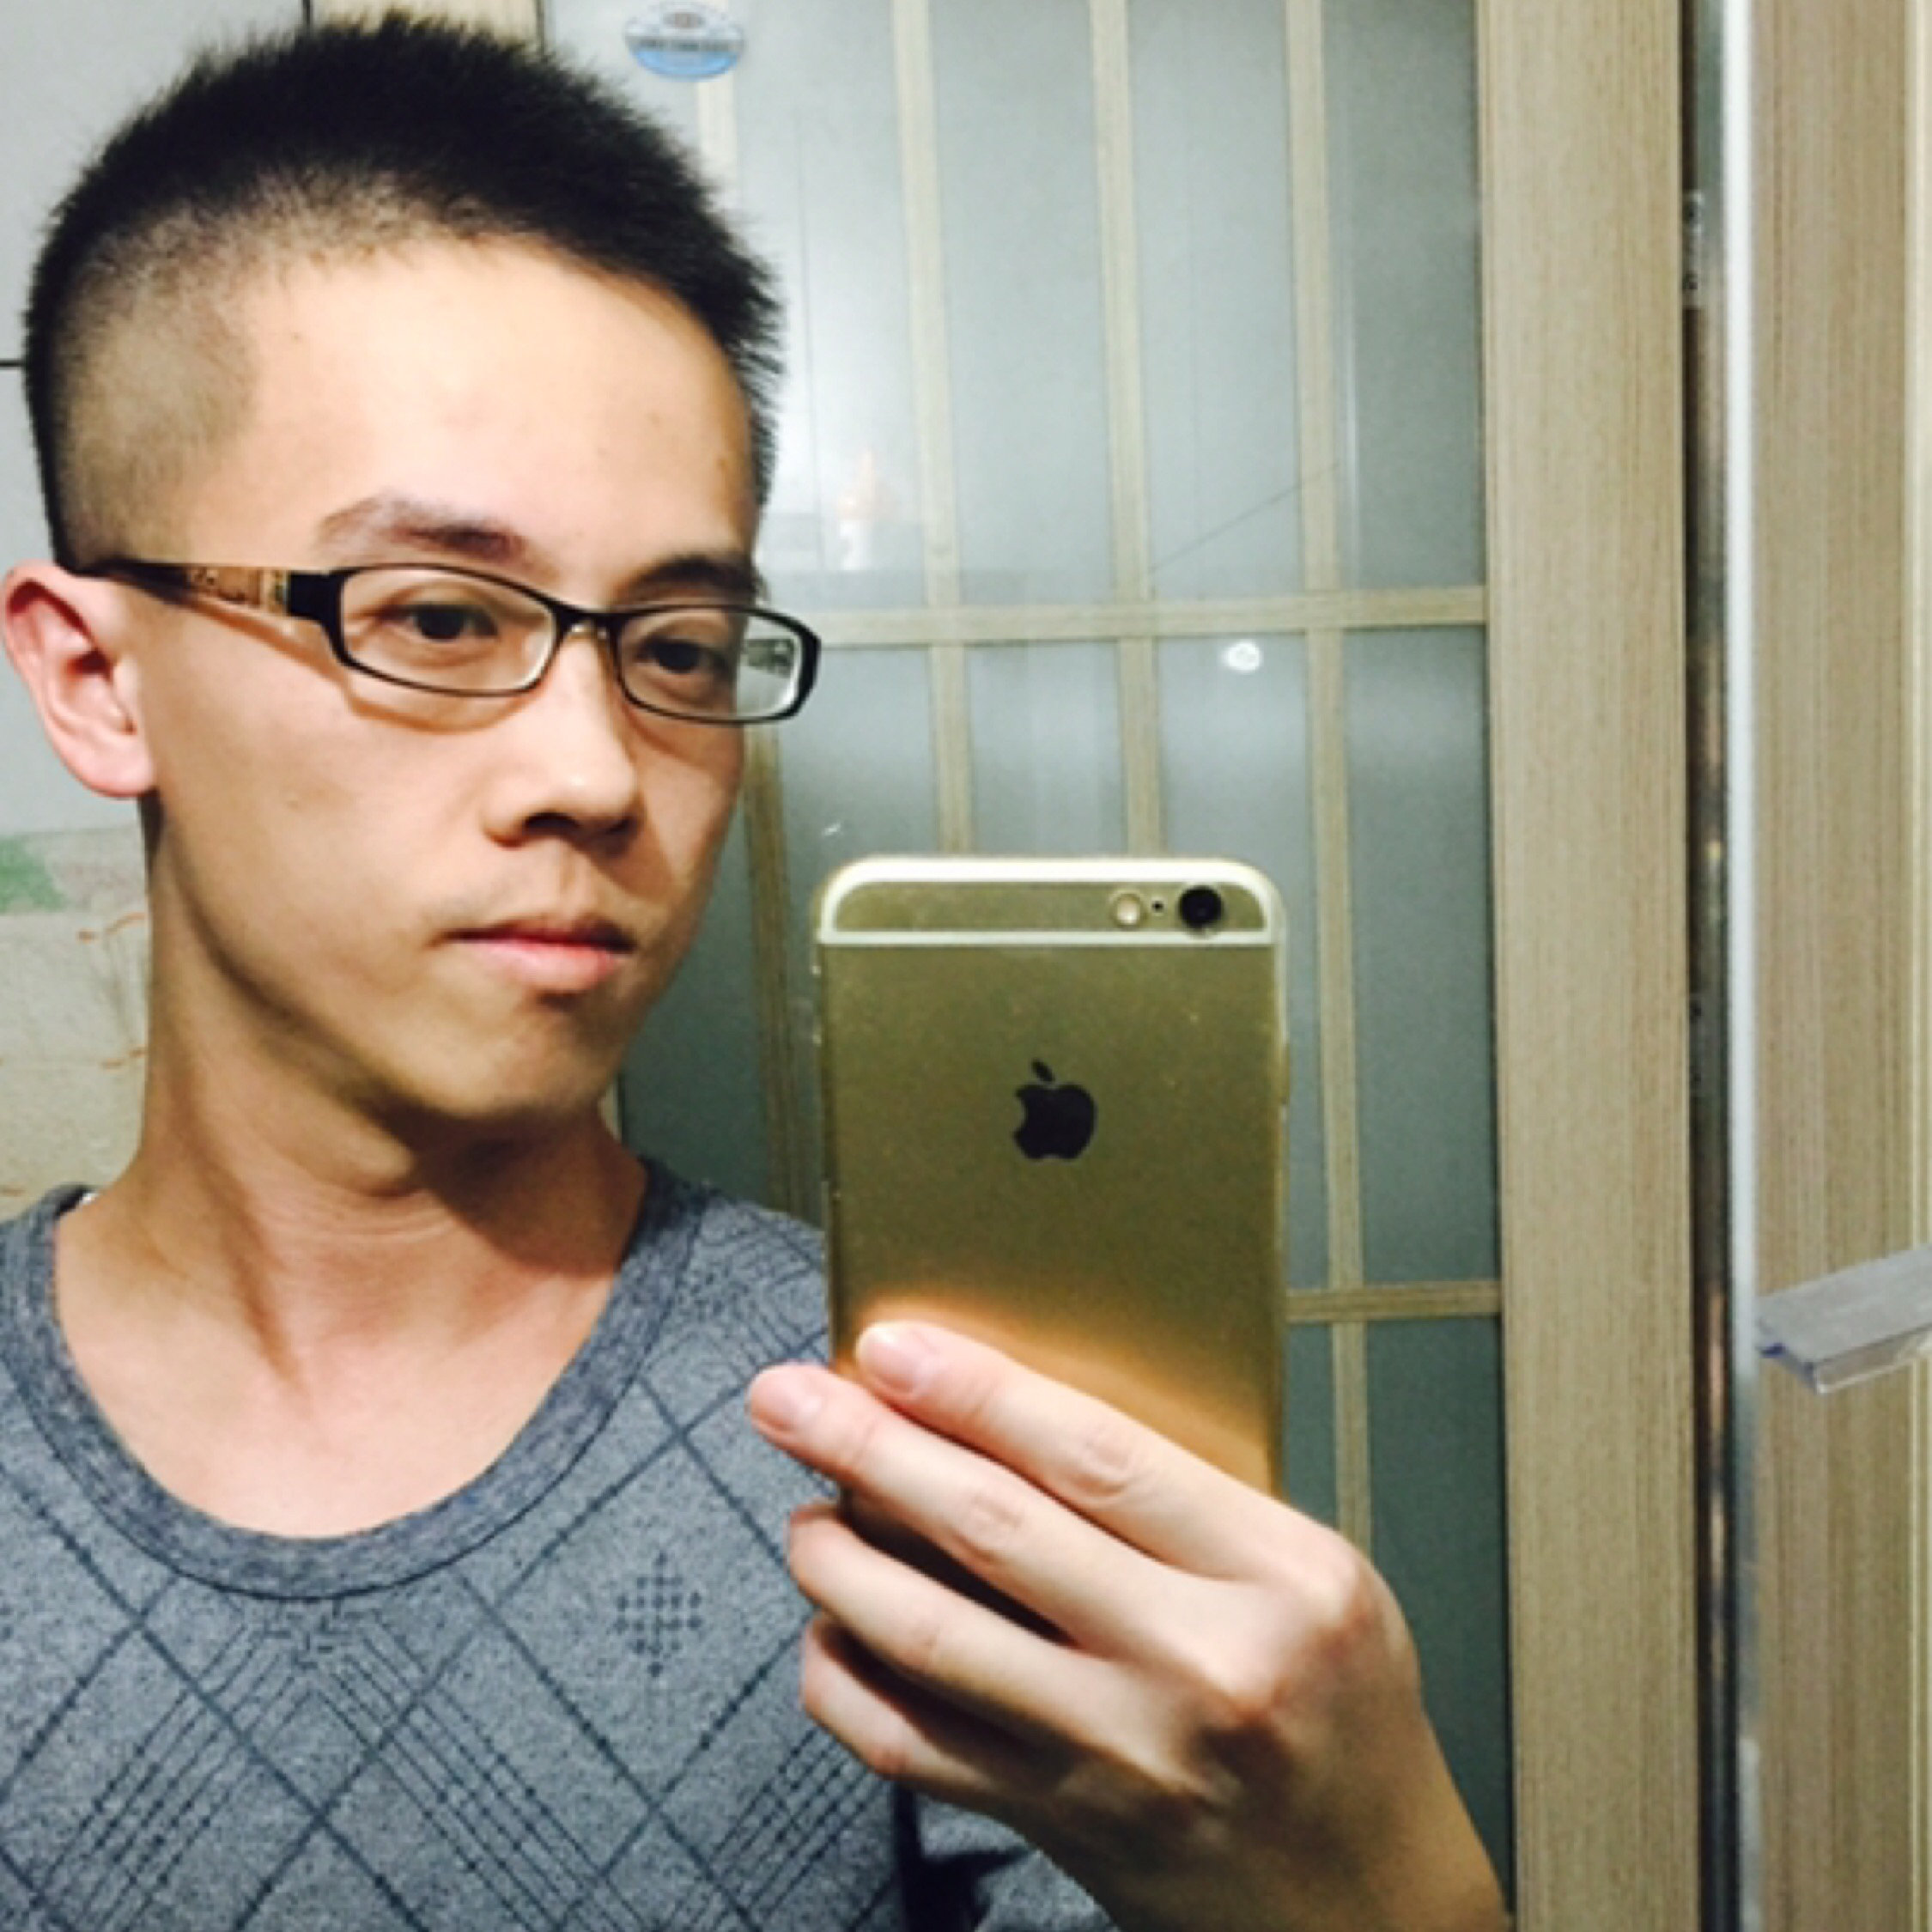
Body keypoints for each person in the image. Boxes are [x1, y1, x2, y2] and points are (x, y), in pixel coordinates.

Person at [0, 16, 1505, 1931]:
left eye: (682, 650)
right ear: (95, 677)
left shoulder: (919, 1447)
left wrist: (1375, 1886)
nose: (596, 770)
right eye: (439, 617)